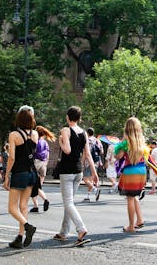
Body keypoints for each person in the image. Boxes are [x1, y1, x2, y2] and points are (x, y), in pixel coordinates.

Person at [54, 106, 97, 247]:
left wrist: (60, 141)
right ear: (79, 118)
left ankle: (81, 229)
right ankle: (63, 232)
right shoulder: (84, 133)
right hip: (79, 171)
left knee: (68, 203)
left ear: (67, 117)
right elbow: (88, 154)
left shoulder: (65, 130)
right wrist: (94, 172)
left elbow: (67, 150)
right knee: (69, 202)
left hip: (67, 171)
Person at [5, 108, 39, 249]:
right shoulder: (35, 134)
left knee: (12, 207)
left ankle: (27, 227)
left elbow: (12, 157)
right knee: (23, 206)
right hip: (32, 173)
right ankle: (19, 237)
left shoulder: (14, 135)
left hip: (19, 173)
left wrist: (6, 175)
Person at [114, 117, 147, 233]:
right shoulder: (142, 140)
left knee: (130, 199)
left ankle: (131, 226)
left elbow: (118, 156)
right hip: (142, 171)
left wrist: (118, 147)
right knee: (135, 196)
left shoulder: (126, 142)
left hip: (131, 171)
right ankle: (140, 220)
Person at [30, 125, 54, 213]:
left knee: (33, 186)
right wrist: (45, 165)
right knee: (38, 186)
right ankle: (36, 206)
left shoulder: (36, 141)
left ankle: (44, 201)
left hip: (36, 163)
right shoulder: (45, 142)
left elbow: (32, 152)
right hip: (43, 164)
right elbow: (47, 155)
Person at [82, 128, 102, 202]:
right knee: (90, 180)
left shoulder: (88, 140)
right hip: (96, 162)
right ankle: (88, 196)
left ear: (87, 133)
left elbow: (86, 153)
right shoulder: (98, 140)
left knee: (85, 179)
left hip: (88, 162)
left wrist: (82, 162)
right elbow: (101, 151)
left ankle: (95, 190)